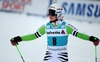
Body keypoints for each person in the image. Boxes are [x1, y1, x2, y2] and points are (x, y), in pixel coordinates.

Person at [10, 3, 99, 62]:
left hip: (62, 56)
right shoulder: (46, 27)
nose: (50, 15)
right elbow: (33, 36)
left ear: (59, 14)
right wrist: (19, 38)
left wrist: (91, 38)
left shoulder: (66, 26)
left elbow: (80, 34)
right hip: (49, 56)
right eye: (49, 13)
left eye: (52, 13)